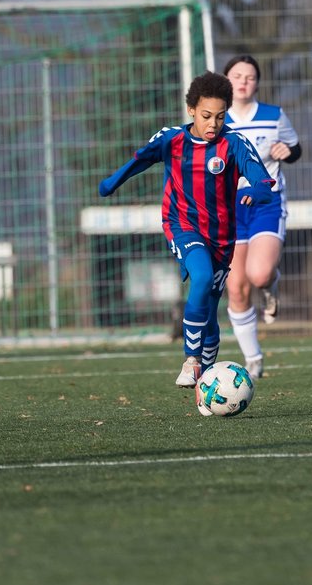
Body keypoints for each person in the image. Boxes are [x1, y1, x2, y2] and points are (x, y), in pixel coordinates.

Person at [99, 71, 274, 411]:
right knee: (202, 277)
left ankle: (206, 384)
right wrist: (113, 182)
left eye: (221, 116)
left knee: (209, 309)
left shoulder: (234, 144)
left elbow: (264, 184)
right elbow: (141, 159)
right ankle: (191, 360)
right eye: (207, 116)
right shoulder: (172, 139)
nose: (213, 124)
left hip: (222, 237)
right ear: (192, 109)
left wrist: (255, 190)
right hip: (181, 224)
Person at [221, 54, 302, 378]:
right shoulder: (216, 120)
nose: (243, 81)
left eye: (250, 77)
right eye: (237, 76)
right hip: (228, 208)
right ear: (226, 80)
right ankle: (252, 358)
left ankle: (271, 284)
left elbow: (295, 148)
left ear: (257, 82)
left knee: (258, 274)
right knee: (237, 287)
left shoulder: (273, 116)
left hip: (267, 204)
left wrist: (288, 151)